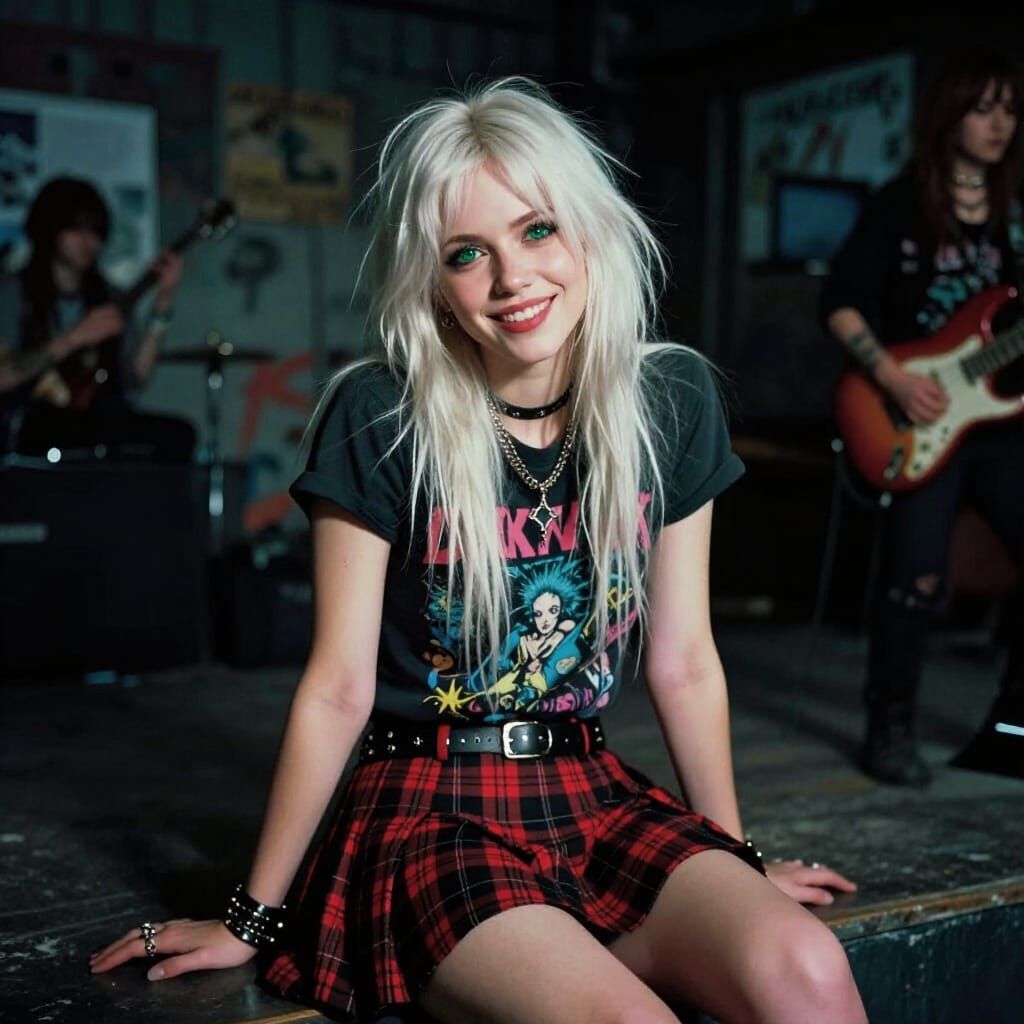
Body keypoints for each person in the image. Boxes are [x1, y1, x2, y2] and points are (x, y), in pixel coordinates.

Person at [90, 80, 865, 1024]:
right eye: (470, 254)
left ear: (590, 231)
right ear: (433, 285)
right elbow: (337, 687)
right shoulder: (379, 416)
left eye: (538, 230)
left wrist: (735, 868)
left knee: (808, 968)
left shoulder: (671, 404)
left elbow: (686, 662)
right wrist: (254, 917)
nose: (513, 278)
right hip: (428, 806)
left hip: (592, 790)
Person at [821, 51, 1024, 786]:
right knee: (915, 576)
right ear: (951, 114)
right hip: (913, 416)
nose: (1001, 123)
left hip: (999, 423)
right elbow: (840, 300)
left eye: (1010, 108)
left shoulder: (1014, 215)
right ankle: (891, 725)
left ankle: (1013, 720)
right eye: (985, 106)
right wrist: (892, 377)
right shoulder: (900, 205)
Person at [0, 176, 194, 461]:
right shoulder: (13, 293)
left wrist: (163, 301)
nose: (89, 241)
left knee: (176, 436)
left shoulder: (109, 297)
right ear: (51, 229)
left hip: (98, 424)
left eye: (96, 232)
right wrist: (74, 338)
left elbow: (135, 379)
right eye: (76, 230)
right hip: (29, 430)